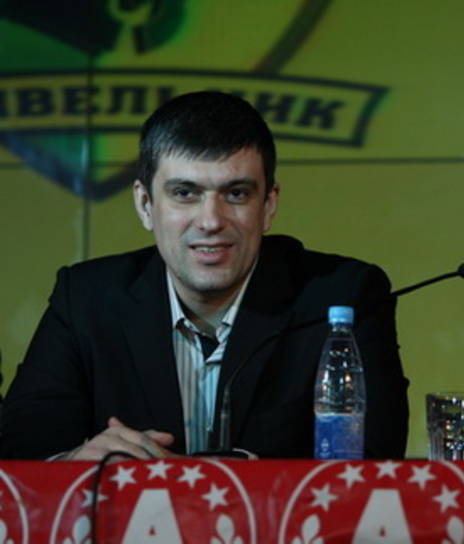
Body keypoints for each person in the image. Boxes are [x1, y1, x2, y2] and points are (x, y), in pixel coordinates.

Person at [0, 91, 409, 460]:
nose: (211, 221)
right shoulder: (87, 298)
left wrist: (214, 478)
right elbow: (20, 451)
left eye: (236, 194)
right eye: (185, 193)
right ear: (145, 204)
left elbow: (373, 457)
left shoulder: (343, 296)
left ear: (268, 206)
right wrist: (75, 464)